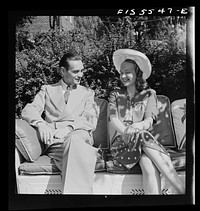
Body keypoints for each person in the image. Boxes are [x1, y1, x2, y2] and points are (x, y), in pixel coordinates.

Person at [21, 51, 100, 194]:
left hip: (79, 135)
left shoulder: (88, 92)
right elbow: (29, 110)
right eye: (76, 71)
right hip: (56, 143)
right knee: (74, 158)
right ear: (63, 71)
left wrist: (70, 128)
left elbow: (91, 117)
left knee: (74, 140)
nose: (81, 75)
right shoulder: (47, 90)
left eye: (82, 70)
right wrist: (40, 124)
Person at [108, 49, 185, 194]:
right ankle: (182, 191)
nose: (123, 75)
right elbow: (113, 119)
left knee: (148, 164)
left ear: (138, 73)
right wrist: (127, 131)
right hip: (122, 143)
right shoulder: (115, 94)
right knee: (142, 134)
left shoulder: (150, 94)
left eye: (128, 72)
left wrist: (136, 127)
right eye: (121, 72)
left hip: (143, 144)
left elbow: (149, 120)